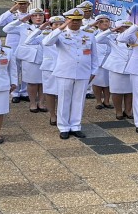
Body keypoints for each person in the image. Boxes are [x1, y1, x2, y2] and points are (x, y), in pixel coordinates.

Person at [42, 8, 98, 139]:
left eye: (78, 20)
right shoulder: (60, 34)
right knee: (64, 99)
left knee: (79, 100)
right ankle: (63, 127)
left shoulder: (89, 34)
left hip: (83, 72)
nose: (75, 23)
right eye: (73, 20)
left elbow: (94, 55)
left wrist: (94, 71)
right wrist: (61, 27)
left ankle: (76, 126)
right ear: (67, 20)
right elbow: (46, 42)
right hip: (65, 71)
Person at [4, 8, 48, 113]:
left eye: (40, 15)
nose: (38, 17)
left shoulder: (49, 28)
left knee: (43, 81)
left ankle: (41, 103)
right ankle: (32, 102)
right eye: (35, 15)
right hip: (29, 57)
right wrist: (20, 20)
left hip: (45, 57)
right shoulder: (23, 27)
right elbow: (6, 29)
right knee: (32, 82)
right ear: (30, 17)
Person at [26, 15, 65, 125]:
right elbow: (28, 41)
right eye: (55, 24)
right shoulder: (44, 35)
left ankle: (63, 115)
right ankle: (53, 115)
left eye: (60, 24)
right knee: (50, 92)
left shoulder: (67, 35)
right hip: (50, 67)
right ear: (51, 26)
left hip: (65, 67)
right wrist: (40, 29)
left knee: (64, 93)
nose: (58, 26)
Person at [0, 0, 31, 102]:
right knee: (13, 70)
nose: (22, 6)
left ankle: (25, 92)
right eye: (19, 4)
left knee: (26, 69)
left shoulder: (31, 15)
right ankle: (15, 93)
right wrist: (11, 10)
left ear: (28, 4)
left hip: (26, 45)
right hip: (13, 45)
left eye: (24, 3)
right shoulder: (11, 15)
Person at [96, 19, 133, 120]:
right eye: (124, 27)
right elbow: (97, 39)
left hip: (132, 67)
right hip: (116, 67)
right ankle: (119, 111)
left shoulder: (135, 37)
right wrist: (111, 30)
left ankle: (128, 110)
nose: (126, 29)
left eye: (128, 27)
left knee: (130, 91)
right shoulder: (111, 37)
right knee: (117, 91)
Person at [90, 14, 113, 109]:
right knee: (97, 82)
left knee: (109, 83)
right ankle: (98, 101)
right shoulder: (93, 33)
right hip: (98, 61)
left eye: (107, 21)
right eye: (102, 22)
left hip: (110, 61)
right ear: (97, 24)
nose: (105, 23)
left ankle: (107, 101)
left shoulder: (114, 33)